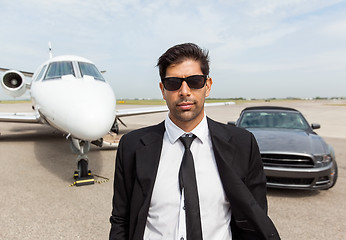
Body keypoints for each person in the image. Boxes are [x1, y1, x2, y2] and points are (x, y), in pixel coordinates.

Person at [109, 43, 280, 240]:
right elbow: (121, 220)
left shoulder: (242, 144)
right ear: (162, 89)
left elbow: (254, 219)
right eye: (173, 83)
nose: (184, 91)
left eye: (194, 81)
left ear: (207, 86)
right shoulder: (132, 146)